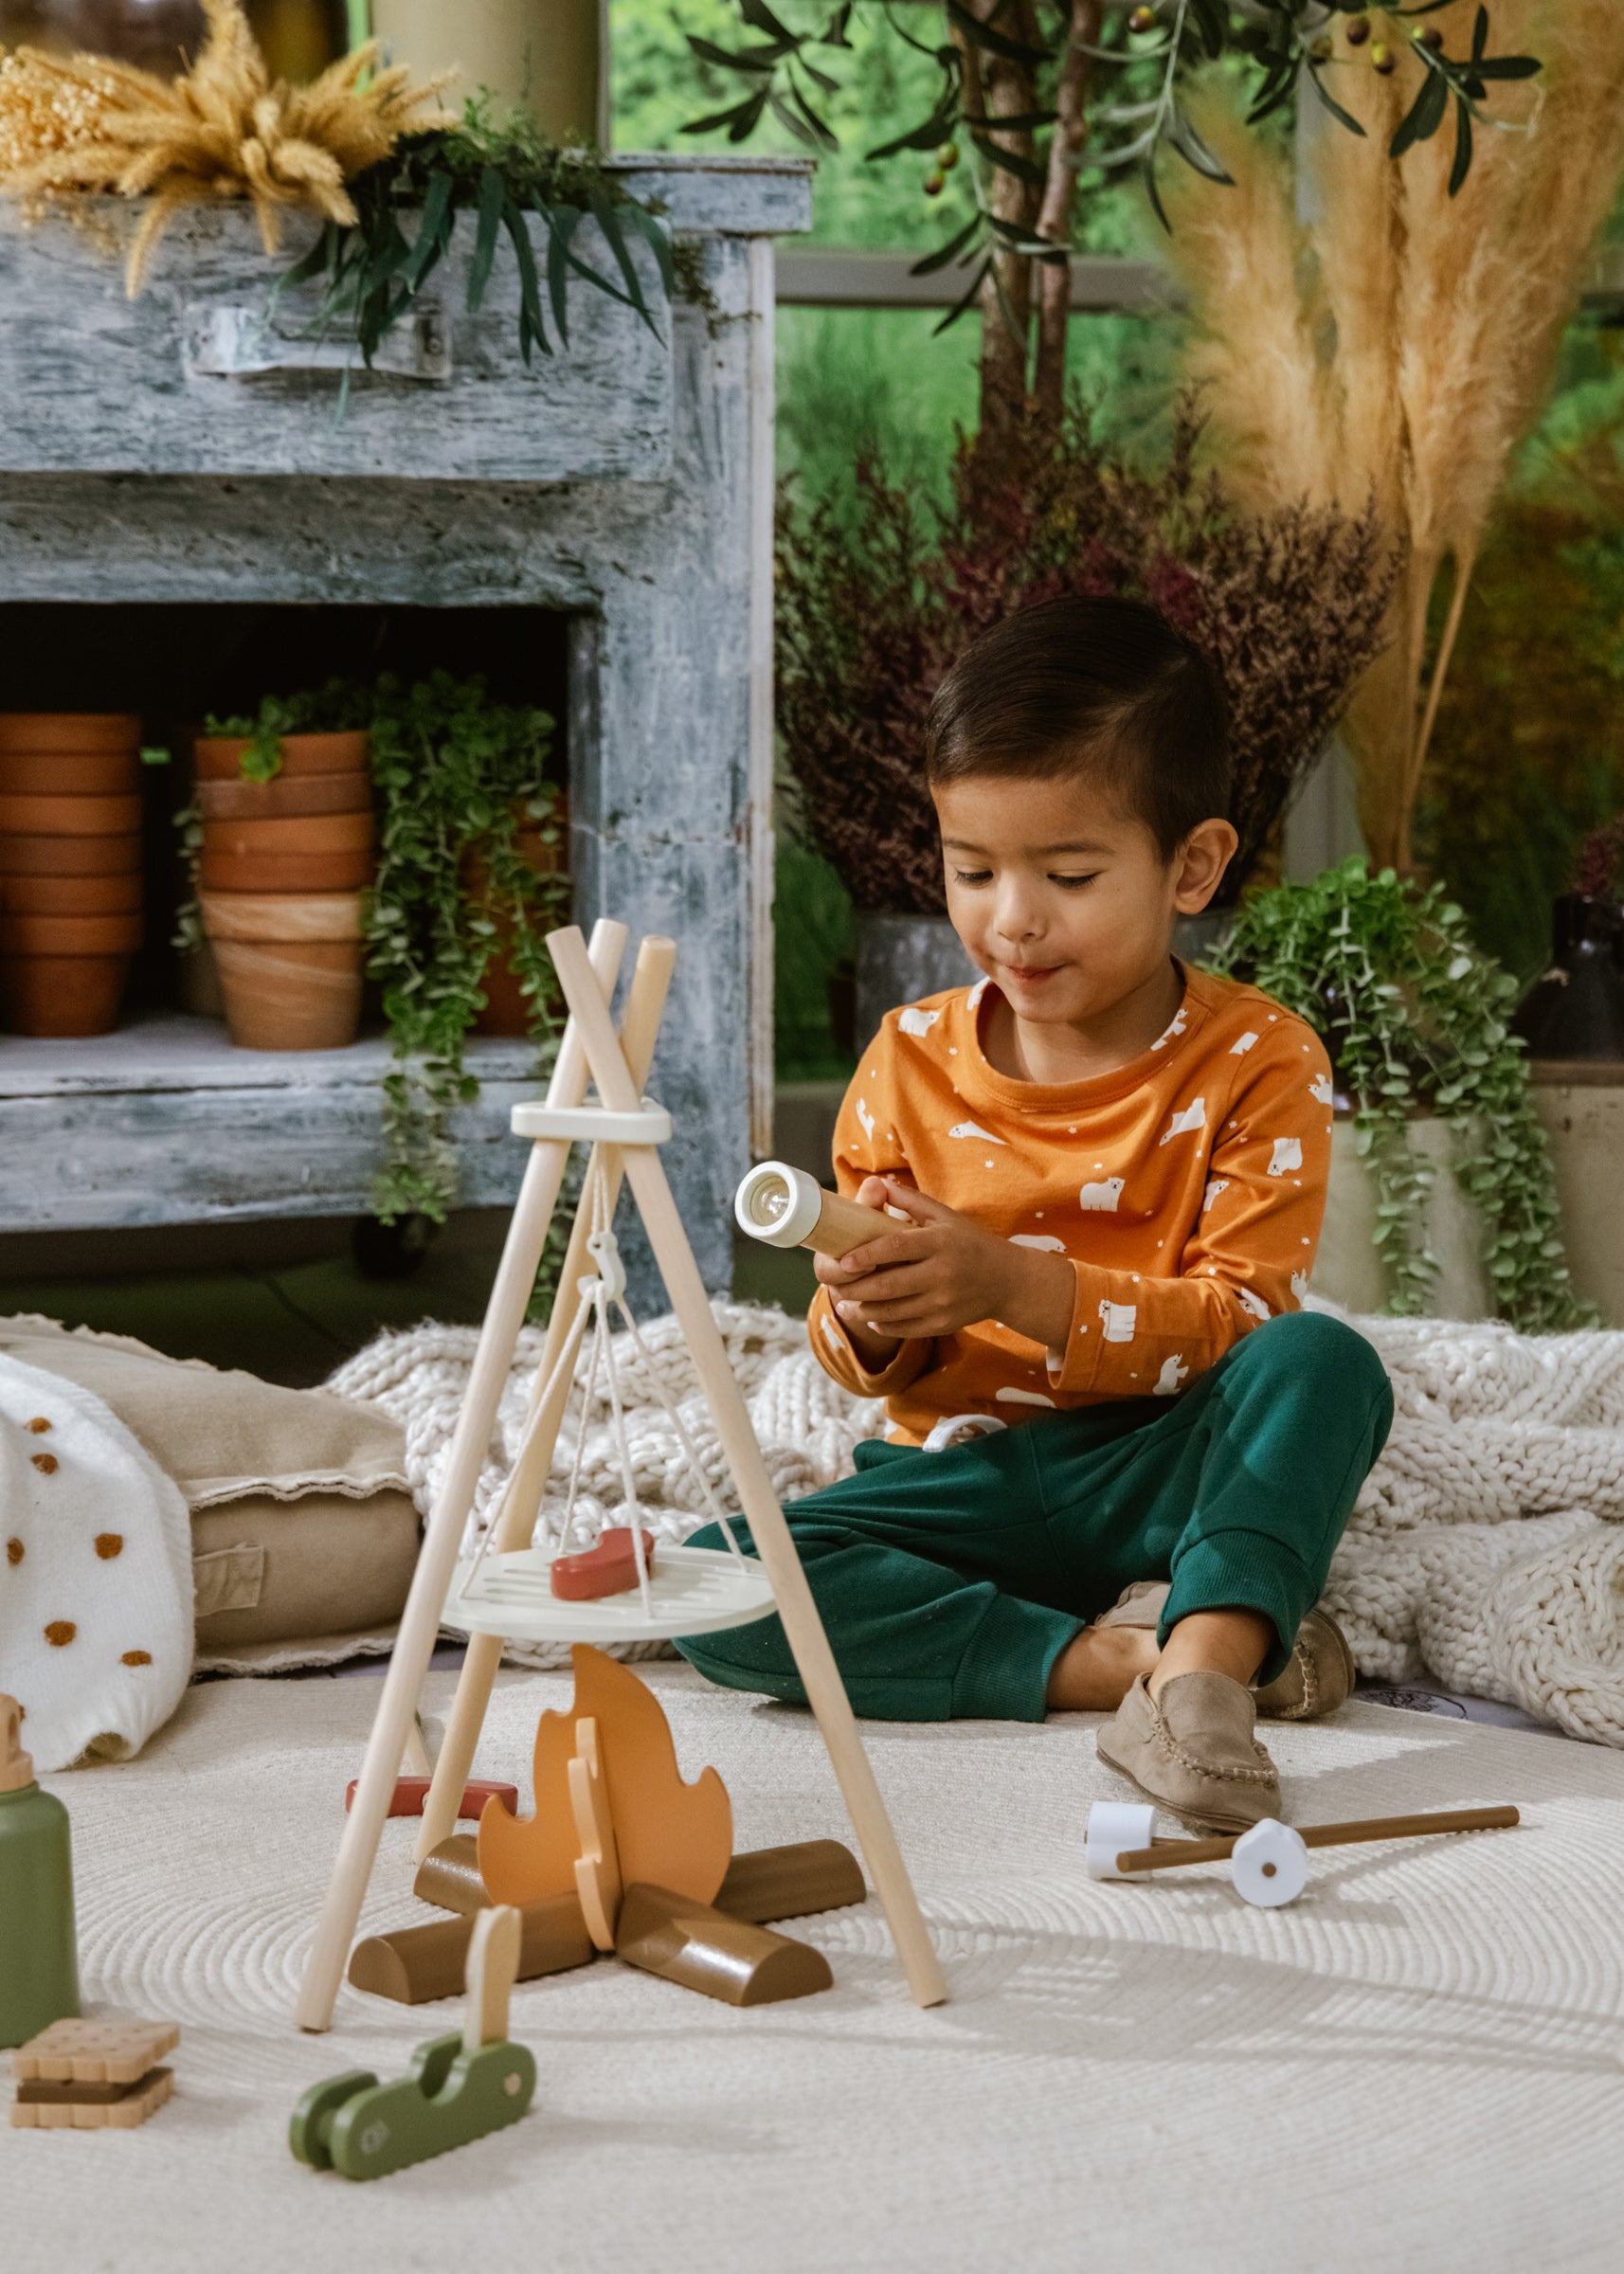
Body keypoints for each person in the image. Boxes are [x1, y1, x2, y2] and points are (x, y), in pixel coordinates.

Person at [678, 594, 1393, 1832]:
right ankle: (1142, 1662)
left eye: (1067, 875)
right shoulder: (905, 1059)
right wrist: (871, 1311)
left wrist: (1016, 1286)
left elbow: (1237, 1327)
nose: (1011, 917)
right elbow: (853, 1357)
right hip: (963, 1478)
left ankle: (1201, 1679)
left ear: (1191, 866)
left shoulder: (1260, 1060)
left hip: (1163, 1461)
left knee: (1325, 1364)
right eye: (972, 870)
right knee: (715, 1584)